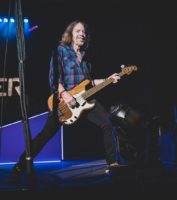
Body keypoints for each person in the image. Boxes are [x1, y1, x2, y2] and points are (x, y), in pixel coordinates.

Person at [6, 20, 120, 184]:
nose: (82, 34)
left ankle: (112, 164)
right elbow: (54, 78)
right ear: (71, 34)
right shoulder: (60, 51)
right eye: (78, 31)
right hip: (63, 101)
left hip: (85, 100)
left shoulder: (86, 59)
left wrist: (108, 79)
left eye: (84, 32)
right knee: (46, 134)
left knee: (108, 125)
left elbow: (89, 83)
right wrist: (65, 94)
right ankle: (20, 167)